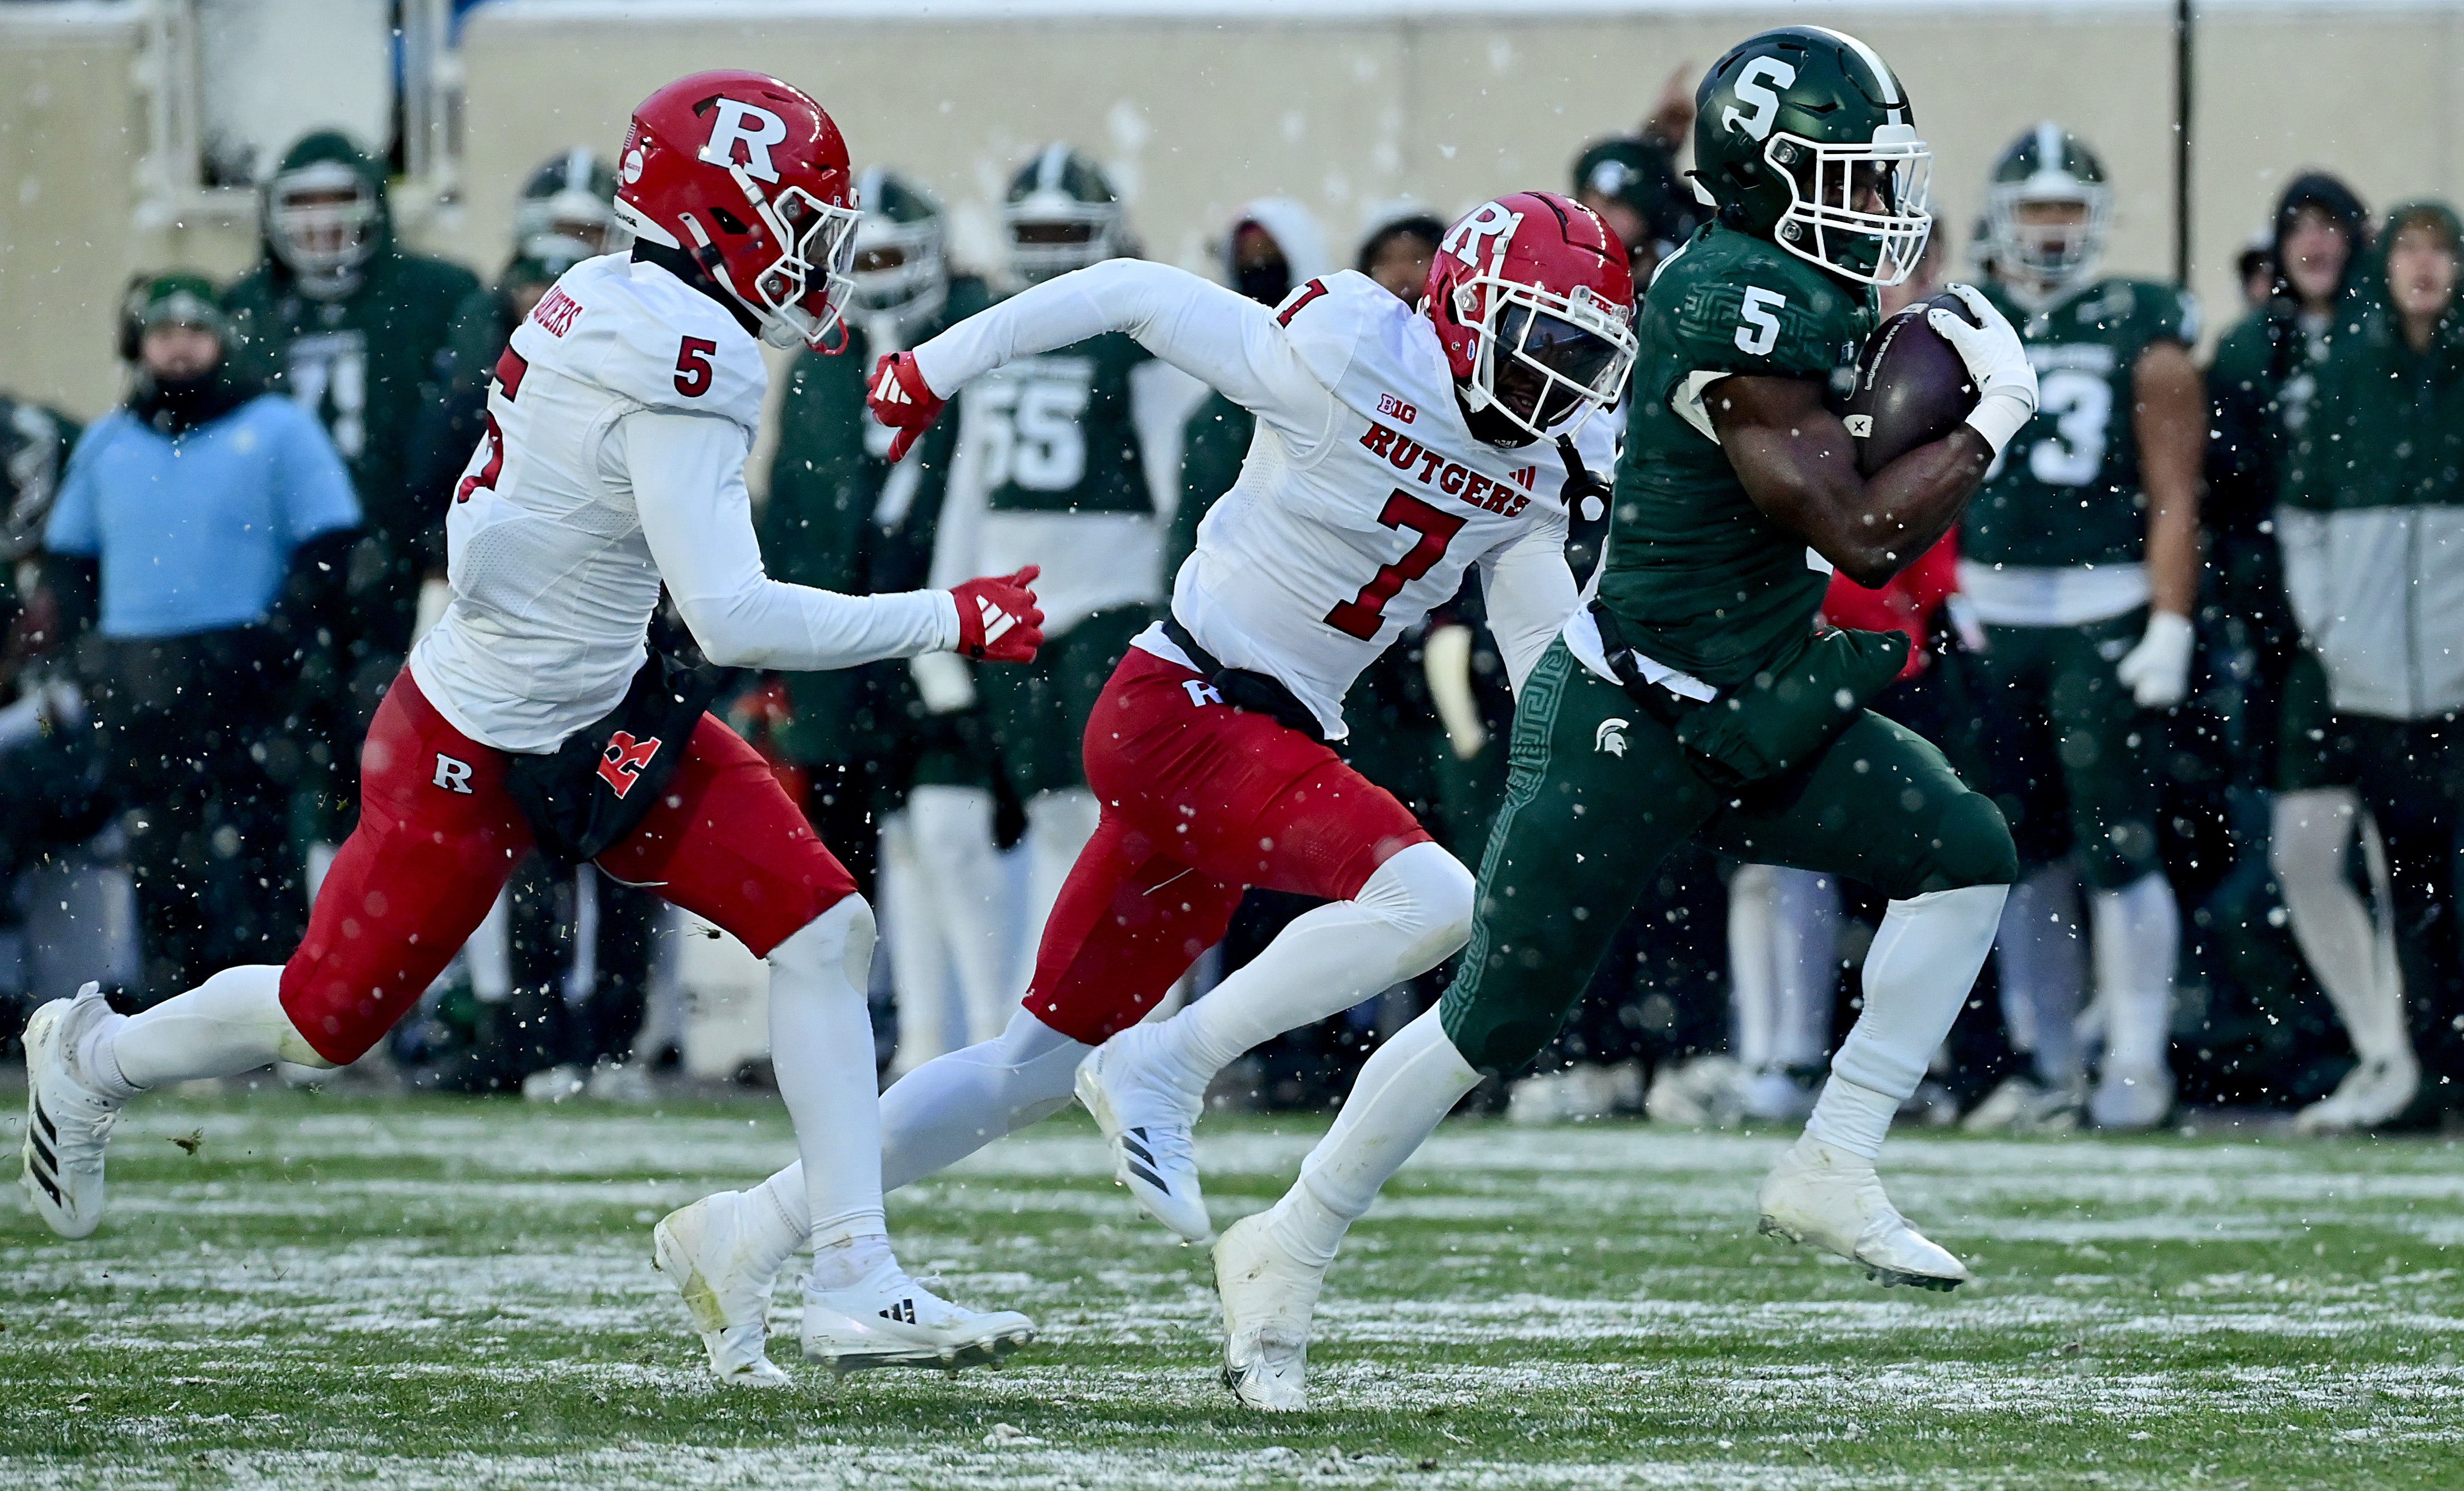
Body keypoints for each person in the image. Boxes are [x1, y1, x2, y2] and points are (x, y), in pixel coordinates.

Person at [19, 72, 1047, 1384]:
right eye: (795, 218)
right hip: (475, 737)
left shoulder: (627, 298)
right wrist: (944, 617)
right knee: (324, 1022)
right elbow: (728, 617)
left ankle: (847, 1273)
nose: (814, 252)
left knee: (824, 929)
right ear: (720, 217)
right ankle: (94, 1053)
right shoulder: (683, 347)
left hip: (596, 701)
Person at [660, 187, 1638, 1386]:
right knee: (1430, 898)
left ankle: (746, 1230)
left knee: (1023, 1065)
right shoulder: (1343, 346)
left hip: (1255, 739)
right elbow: (1130, 292)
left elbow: (1543, 655)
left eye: (1583, 353)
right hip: (1183, 703)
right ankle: (1165, 1064)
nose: (1555, 376)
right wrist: (935, 364)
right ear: (1464, 303)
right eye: (1540, 336)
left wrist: (1588, 756)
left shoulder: (1545, 466)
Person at [1211, 27, 2039, 1411]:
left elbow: (1837, 493)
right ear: (1763, 177)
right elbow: (1854, 530)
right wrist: (1984, 419)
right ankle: (1283, 1243)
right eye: (1840, 174)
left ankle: (1830, 1158)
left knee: (1964, 849)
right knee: (1494, 1016)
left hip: (1762, 690)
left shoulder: (1801, 286)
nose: (1870, 202)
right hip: (1631, 714)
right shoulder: (1729, 296)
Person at [1951, 125, 2205, 1131]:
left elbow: (2175, 490)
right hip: (1995, 615)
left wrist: (2172, 620)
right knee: (2017, 849)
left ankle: (2136, 1056)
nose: (2052, 231)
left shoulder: (2141, 320)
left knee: (2119, 842)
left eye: (2068, 208)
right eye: (2036, 208)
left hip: (2102, 604)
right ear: (2004, 220)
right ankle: (2049, 1057)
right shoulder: (1965, 320)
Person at [40, 275, 360, 1000]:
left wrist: (280, 634)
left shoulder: (278, 427)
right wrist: (89, 651)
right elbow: (69, 561)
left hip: (247, 670)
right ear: (139, 345)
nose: (179, 348)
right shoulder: (108, 441)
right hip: (140, 674)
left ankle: (272, 1008)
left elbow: (331, 545)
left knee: (260, 842)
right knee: (160, 846)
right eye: (163, 333)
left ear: (223, 340)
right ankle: (169, 1003)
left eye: (195, 331)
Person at [755, 167, 1008, 1068]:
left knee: (947, 824)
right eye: (864, 258)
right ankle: (870, 1022)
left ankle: (976, 1025)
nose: (879, 274)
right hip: (837, 635)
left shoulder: (973, 337)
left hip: (941, 623)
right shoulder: (823, 358)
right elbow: (790, 502)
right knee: (850, 843)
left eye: (893, 254)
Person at [2207, 175, 2413, 1131]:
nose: (2318, 245)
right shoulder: (2253, 352)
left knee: (2404, 855)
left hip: (2409, 643)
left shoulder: (2405, 350)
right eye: (2303, 228)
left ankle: (2413, 1052)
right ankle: (2381, 1046)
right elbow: (2232, 499)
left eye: (2336, 226)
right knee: (2305, 855)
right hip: (2301, 650)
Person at [962, 146, 1190, 1006]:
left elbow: (1175, 489)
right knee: (1053, 810)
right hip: (1016, 601)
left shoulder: (1135, 343)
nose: (1051, 251)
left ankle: (1144, 1004)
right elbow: (968, 495)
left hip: (1113, 593)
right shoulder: (996, 332)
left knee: (1124, 812)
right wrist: (948, 608)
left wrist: (1178, 605)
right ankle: (1055, 1001)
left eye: (1067, 232)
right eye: (1036, 233)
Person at [2277, 201, 2463, 1123]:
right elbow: (2304, 518)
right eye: (2412, 250)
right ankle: (2418, 1063)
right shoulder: (2350, 372)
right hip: (2374, 680)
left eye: (2442, 251)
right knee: (2409, 878)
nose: (2426, 268)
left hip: (2454, 679)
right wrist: (2335, 630)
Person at [223, 131, 482, 675]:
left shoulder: (438, 296)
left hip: (405, 551)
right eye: (302, 203)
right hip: (280, 565)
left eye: (337, 199)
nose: (321, 222)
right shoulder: (243, 310)